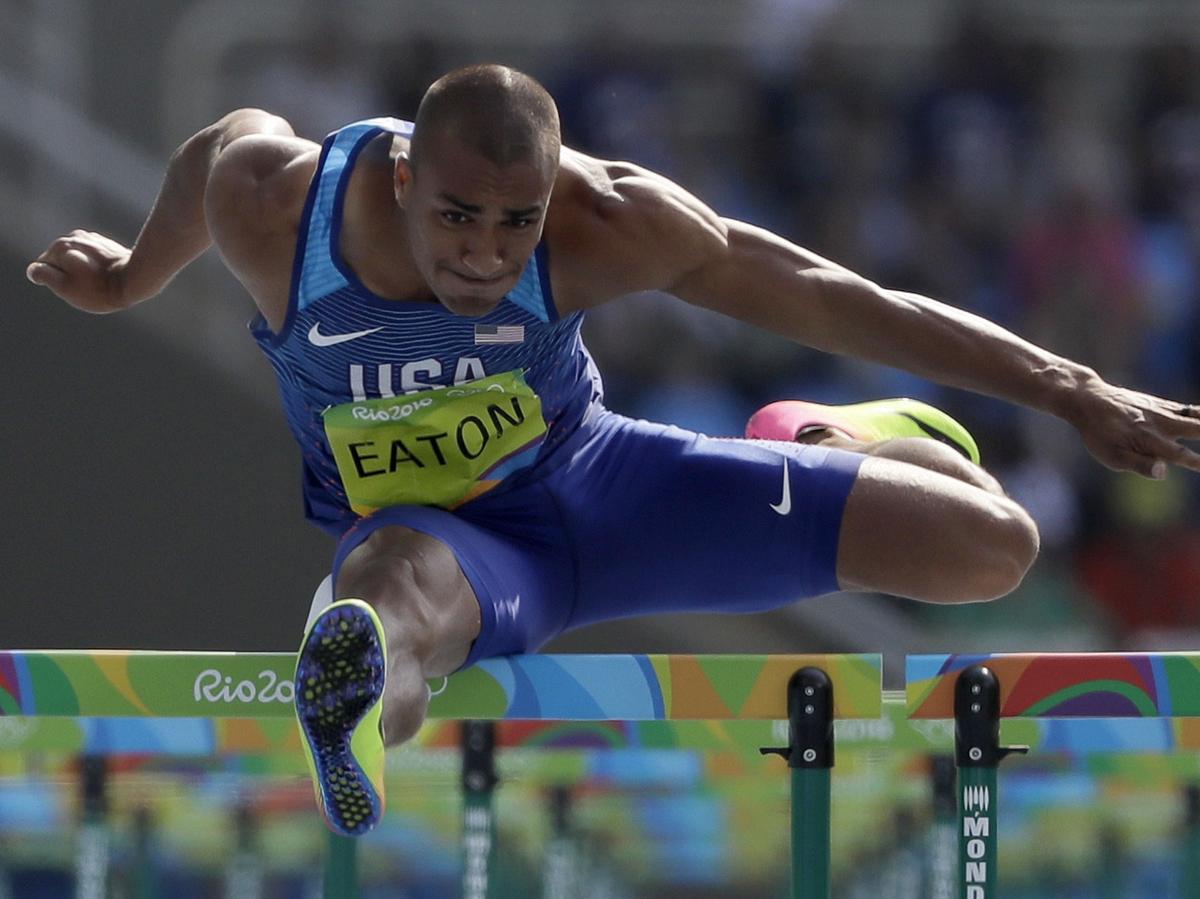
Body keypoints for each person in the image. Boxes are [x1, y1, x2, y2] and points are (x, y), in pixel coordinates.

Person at [27, 64, 1200, 837]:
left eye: (514, 222)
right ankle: (353, 706)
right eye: (455, 217)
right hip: (451, 546)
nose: (487, 256)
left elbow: (835, 296)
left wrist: (1071, 384)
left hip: (605, 488)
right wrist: (132, 274)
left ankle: (814, 436)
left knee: (995, 547)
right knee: (389, 595)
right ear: (401, 176)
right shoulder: (280, 205)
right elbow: (207, 157)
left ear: (553, 197)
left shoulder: (609, 217)